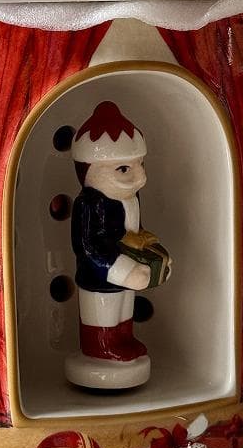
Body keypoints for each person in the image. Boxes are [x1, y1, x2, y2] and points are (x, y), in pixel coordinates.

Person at [67, 101, 168, 389]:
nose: (140, 177)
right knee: (104, 313)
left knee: (124, 310)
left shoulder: (131, 198)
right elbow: (88, 247)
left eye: (140, 165)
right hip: (100, 276)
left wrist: (147, 250)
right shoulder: (89, 204)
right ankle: (101, 348)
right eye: (124, 169)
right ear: (89, 171)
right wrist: (121, 269)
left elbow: (132, 232)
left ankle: (123, 340)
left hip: (126, 269)